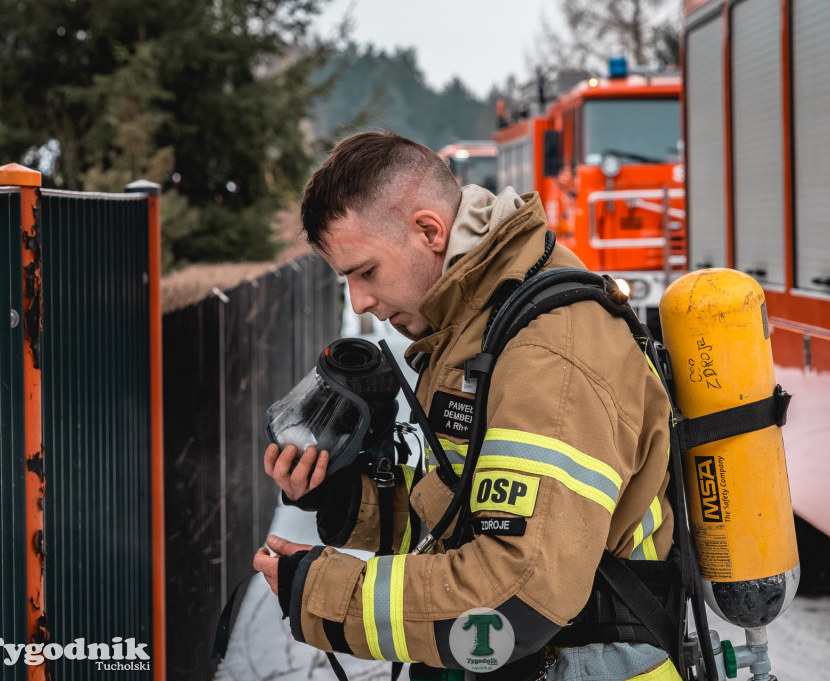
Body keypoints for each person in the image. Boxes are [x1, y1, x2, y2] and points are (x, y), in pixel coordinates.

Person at [253, 131, 678, 680]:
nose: (360, 301)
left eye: (366, 272)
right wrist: (343, 499)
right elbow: (466, 523)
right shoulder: (477, 326)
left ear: (429, 230)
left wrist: (325, 593)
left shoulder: (547, 356)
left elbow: (515, 597)